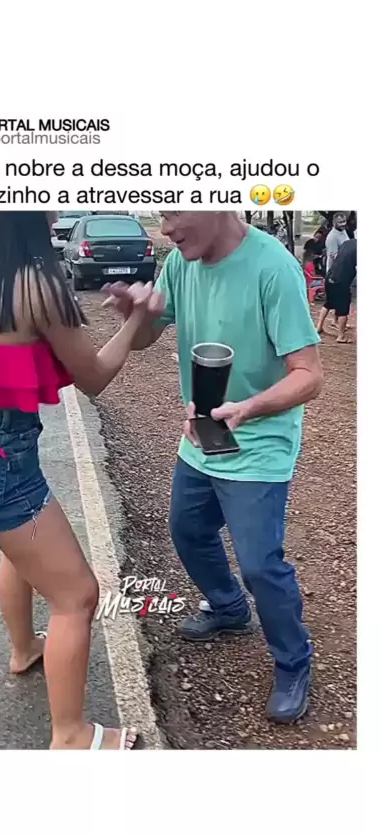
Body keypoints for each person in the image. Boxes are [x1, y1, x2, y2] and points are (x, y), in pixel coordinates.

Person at [0, 211, 165, 750]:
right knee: (77, 595)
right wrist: (135, 319)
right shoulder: (36, 286)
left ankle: (24, 648)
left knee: (18, 549)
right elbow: (94, 377)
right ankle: (71, 735)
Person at [104, 212, 323, 724]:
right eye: (162, 216)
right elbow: (147, 337)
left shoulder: (274, 268)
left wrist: (247, 408)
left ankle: (294, 662)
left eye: (174, 213)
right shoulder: (182, 263)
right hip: (203, 433)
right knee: (188, 531)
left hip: (259, 440)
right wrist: (132, 316)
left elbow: (310, 376)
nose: (166, 229)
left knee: (259, 565)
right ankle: (228, 608)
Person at [316, 238, 357, 343]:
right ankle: (341, 336)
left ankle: (319, 326)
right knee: (343, 309)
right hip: (341, 280)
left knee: (328, 303)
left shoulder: (347, 243)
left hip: (330, 276)